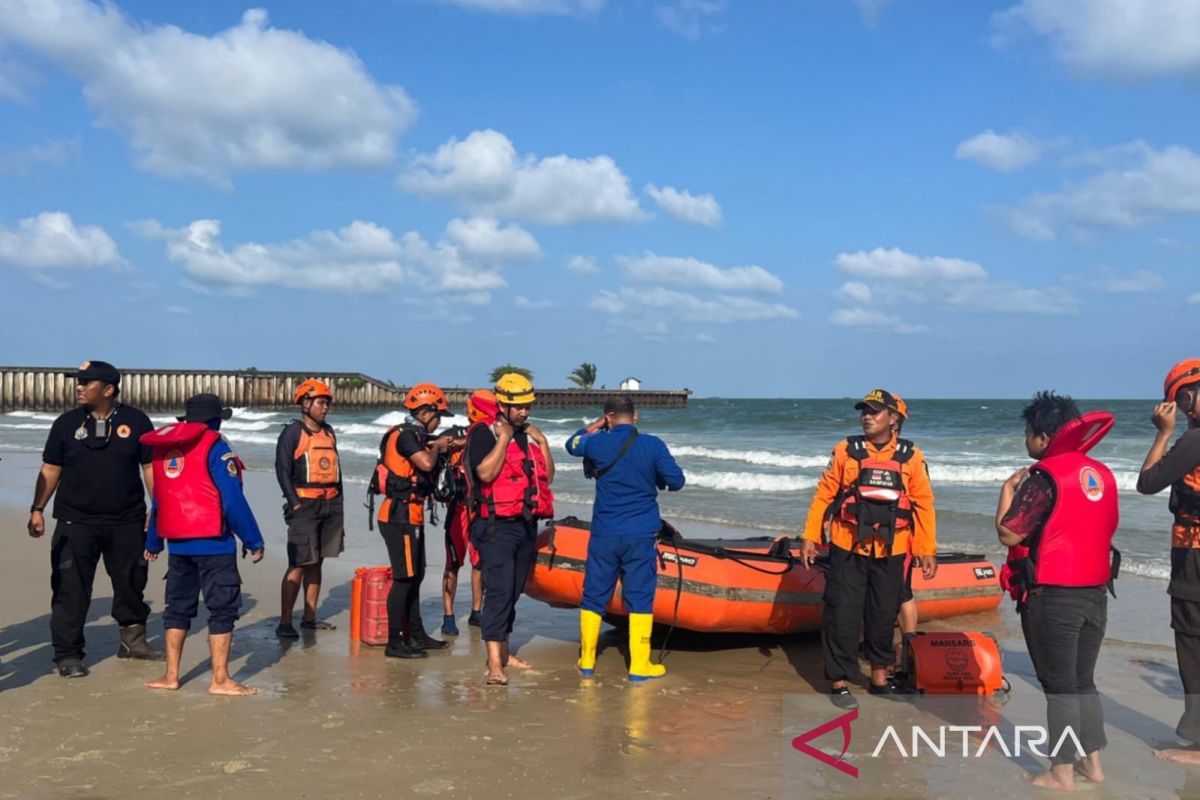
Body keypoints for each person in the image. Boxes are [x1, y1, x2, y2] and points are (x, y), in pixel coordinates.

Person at [777, 389, 936, 708]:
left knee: (882, 615)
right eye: (864, 411)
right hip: (846, 546)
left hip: (892, 550)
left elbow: (923, 504)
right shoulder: (845, 451)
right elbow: (824, 494)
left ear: (893, 419)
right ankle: (838, 682)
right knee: (841, 613)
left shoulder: (912, 456)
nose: (866, 416)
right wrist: (811, 536)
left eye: (875, 412)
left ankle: (879, 678)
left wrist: (926, 548)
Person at [996, 391, 1118, 790]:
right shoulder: (1100, 473)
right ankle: (1093, 766)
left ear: (1044, 437)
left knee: (1059, 687)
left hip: (1053, 596)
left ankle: (1061, 773)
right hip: (1096, 594)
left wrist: (1005, 495)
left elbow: (1009, 532)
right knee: (1084, 682)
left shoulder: (1044, 478)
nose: (1026, 441)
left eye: (1028, 433)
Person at [27, 360, 163, 677]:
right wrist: (37, 509)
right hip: (75, 522)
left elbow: (149, 468)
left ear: (109, 389)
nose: (79, 387)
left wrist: (157, 509)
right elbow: (51, 468)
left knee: (131, 584)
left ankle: (133, 642)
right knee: (70, 589)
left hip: (127, 520)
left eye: (87, 382)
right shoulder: (65, 424)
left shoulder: (137, 421)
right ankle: (68, 655)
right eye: (79, 381)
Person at [141, 394, 266, 695]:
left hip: (179, 546)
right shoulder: (217, 447)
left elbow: (160, 499)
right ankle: (220, 680)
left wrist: (154, 541)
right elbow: (232, 499)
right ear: (216, 420)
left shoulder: (166, 449)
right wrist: (253, 539)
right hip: (214, 545)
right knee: (222, 610)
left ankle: (171, 676)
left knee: (177, 609)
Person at [565, 396, 685, 680]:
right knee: (640, 597)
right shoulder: (652, 445)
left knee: (594, 594)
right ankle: (638, 666)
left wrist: (596, 424)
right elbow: (677, 481)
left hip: (605, 532)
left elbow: (572, 444)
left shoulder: (595, 442)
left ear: (608, 417)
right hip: (641, 533)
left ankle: (587, 661)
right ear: (636, 416)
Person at [462, 373, 555, 685]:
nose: (524, 412)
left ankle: (504, 652)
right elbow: (485, 474)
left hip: (525, 524)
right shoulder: (483, 434)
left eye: (527, 407)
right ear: (501, 404)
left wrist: (541, 441)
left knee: (513, 591)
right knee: (499, 591)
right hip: (494, 526)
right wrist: (503, 437)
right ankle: (493, 664)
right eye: (518, 407)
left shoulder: (527, 435)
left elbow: (548, 477)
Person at [1137, 359, 1200, 764]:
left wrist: (1163, 434)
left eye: (1182, 398)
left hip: (1194, 555)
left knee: (1192, 644)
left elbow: (1147, 482)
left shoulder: (1194, 441)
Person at [371, 383, 457, 658]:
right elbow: (427, 464)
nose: (439, 421)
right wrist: (441, 445)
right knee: (404, 578)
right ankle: (396, 642)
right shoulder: (406, 435)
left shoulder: (417, 435)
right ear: (424, 412)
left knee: (415, 575)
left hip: (411, 513)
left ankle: (416, 635)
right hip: (399, 515)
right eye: (438, 415)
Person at [274, 378, 344, 638]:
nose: (325, 408)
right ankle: (285, 622)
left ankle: (310, 617)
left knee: (317, 562)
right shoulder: (293, 432)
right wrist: (294, 502)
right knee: (299, 563)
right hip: (304, 504)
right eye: (320, 403)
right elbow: (282, 470)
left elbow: (337, 470)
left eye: (327, 403)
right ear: (305, 403)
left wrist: (339, 504)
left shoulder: (329, 432)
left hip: (330, 504)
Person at [441, 390, 494, 636]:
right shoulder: (459, 433)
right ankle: (448, 615)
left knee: (479, 563)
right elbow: (438, 444)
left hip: (478, 508)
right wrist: (453, 443)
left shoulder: (488, 434)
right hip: (459, 508)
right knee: (453, 563)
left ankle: (476, 611)